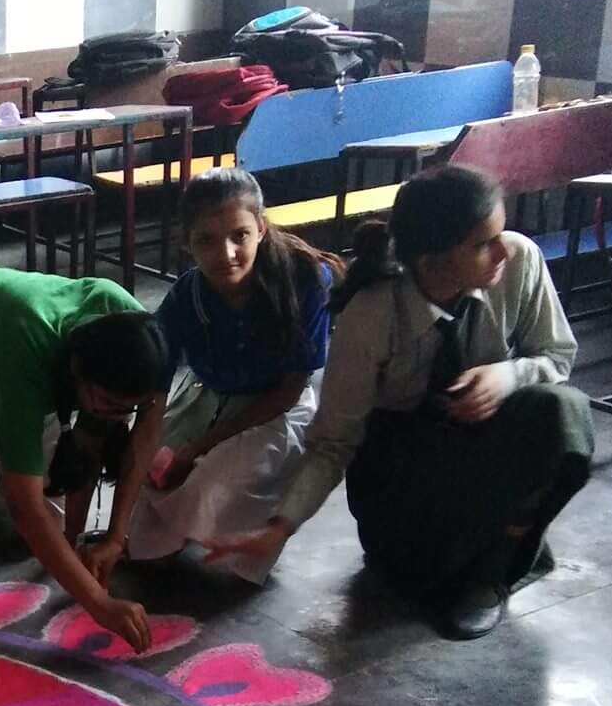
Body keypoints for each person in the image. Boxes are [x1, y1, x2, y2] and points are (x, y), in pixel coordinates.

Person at [216, 166, 593, 640]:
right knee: (412, 565)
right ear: (433, 261)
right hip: (402, 467)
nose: (503, 250)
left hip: (479, 439)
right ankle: (452, 561)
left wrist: (507, 375)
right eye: (483, 244)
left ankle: (491, 573)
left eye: (501, 234)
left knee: (560, 411)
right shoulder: (372, 313)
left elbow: (556, 356)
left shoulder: (518, 261)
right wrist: (279, 528)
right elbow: (334, 442)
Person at [0, 267, 172, 653]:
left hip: (16, 346)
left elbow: (128, 438)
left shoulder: (147, 347)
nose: (118, 415)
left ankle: (3, 437)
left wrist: (108, 538)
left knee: (51, 527)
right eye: (108, 403)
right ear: (76, 373)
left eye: (129, 407)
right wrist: (99, 604)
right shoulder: (29, 350)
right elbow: (23, 507)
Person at [127, 168, 337, 580]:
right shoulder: (186, 297)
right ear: (186, 243)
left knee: (213, 483)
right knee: (144, 475)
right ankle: (173, 533)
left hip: (277, 408)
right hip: (209, 396)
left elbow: (288, 391)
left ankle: (206, 530)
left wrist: (196, 449)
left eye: (239, 235)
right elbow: (155, 393)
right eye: (206, 240)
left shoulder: (305, 280)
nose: (225, 254)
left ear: (261, 229)